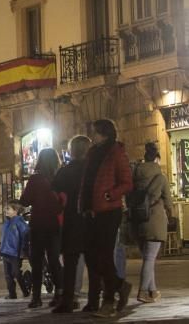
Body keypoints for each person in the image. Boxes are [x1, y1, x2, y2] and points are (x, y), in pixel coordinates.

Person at [79, 118, 133, 318]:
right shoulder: (92, 153)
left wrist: (110, 195)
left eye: (94, 131)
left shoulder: (116, 153)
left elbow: (127, 182)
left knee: (104, 254)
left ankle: (108, 301)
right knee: (91, 256)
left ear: (104, 133)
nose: (92, 135)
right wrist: (83, 205)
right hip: (91, 211)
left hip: (109, 211)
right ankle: (119, 285)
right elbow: (87, 182)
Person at [51, 135, 94, 313]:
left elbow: (55, 194)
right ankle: (93, 300)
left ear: (71, 151)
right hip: (90, 219)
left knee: (70, 262)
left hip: (71, 219)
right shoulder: (92, 169)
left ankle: (68, 300)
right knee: (93, 262)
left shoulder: (65, 171)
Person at [20, 147, 62, 308]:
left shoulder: (35, 179)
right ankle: (59, 293)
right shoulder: (59, 178)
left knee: (37, 262)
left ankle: (36, 297)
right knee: (54, 260)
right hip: (54, 224)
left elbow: (25, 200)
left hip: (38, 224)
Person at [132, 142, 173, 304]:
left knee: (148, 257)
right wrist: (172, 216)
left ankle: (153, 291)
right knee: (149, 258)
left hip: (137, 221)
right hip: (154, 220)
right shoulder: (160, 177)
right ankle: (142, 292)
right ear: (156, 158)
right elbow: (169, 202)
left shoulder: (135, 175)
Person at [0, 200, 29, 300]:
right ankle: (12, 294)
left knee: (16, 273)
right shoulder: (7, 222)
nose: (5, 210)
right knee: (8, 275)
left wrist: (23, 250)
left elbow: (25, 235)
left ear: (15, 211)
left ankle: (25, 291)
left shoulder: (19, 222)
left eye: (8, 209)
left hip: (15, 253)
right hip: (5, 252)